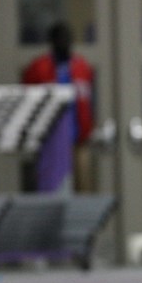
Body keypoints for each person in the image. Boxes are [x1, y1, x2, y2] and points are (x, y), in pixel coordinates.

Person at [22, 21, 95, 191]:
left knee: (81, 186)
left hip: (78, 140)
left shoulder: (81, 67)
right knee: (50, 188)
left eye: (67, 39)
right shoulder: (39, 68)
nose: (65, 43)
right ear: (52, 41)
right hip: (49, 140)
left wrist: (89, 127)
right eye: (60, 39)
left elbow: (89, 100)